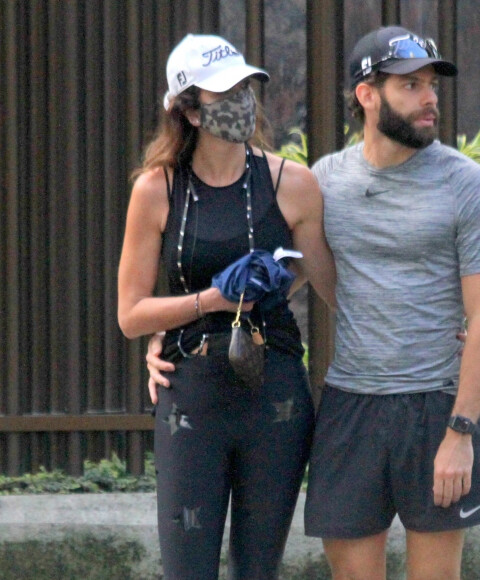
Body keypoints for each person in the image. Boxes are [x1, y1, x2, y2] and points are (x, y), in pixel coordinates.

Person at [146, 25, 480, 580]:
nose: (430, 97)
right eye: (411, 85)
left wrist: (460, 430)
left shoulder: (469, 186)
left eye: (431, 84)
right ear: (368, 94)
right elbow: (277, 277)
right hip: (350, 405)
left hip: (435, 404)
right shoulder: (323, 183)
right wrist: (165, 335)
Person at [117, 33, 335, 580]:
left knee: (258, 568)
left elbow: (329, 279)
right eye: (224, 92)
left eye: (245, 86)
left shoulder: (293, 182)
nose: (242, 100)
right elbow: (131, 314)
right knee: (186, 567)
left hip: (274, 388)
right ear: (189, 110)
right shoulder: (156, 189)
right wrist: (211, 302)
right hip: (190, 390)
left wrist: (268, 290)